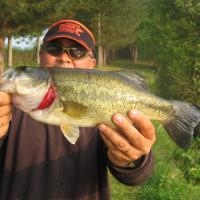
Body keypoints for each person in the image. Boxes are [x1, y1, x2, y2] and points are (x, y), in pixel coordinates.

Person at [0, 19, 156, 200]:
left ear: (91, 64)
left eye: (77, 51)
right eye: (54, 48)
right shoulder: (9, 107)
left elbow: (137, 175)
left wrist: (132, 159)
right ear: (40, 55)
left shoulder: (106, 111)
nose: (64, 57)